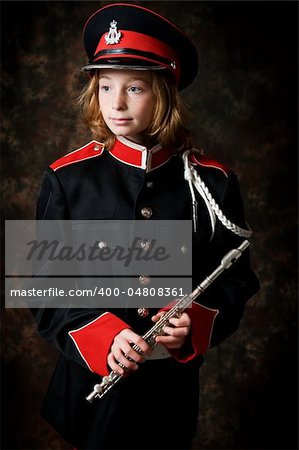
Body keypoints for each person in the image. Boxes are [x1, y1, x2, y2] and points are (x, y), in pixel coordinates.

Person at [32, 3, 259, 449]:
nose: (115, 104)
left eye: (134, 88)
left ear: (166, 92)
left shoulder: (213, 180)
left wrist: (194, 323)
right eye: (105, 86)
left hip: (168, 395)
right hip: (88, 393)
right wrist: (102, 334)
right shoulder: (67, 177)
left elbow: (236, 279)